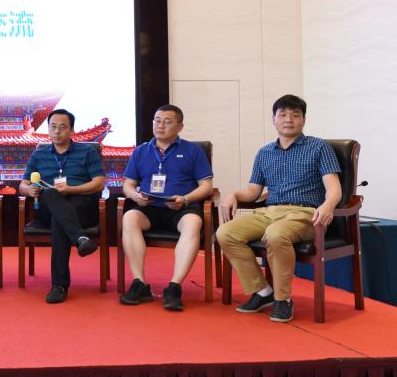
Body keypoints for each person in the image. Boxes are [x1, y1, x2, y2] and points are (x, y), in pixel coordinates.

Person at [216, 94, 342, 323]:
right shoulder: (264, 153)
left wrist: (328, 205)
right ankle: (263, 291)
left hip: (304, 214)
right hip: (269, 212)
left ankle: (283, 299)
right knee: (225, 233)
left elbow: (334, 187)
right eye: (282, 115)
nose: (288, 119)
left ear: (304, 120)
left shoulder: (319, 147)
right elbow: (253, 192)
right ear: (273, 120)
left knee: (275, 234)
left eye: (295, 115)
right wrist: (233, 194)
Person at [119, 105, 214, 310]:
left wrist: (185, 199)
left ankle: (174, 286)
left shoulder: (193, 151)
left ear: (180, 127)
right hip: (149, 206)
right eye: (157, 120)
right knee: (129, 218)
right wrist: (136, 196)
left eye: (167, 121)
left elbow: (207, 186)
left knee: (193, 222)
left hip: (181, 207)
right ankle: (139, 283)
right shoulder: (141, 151)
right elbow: (128, 185)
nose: (160, 125)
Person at [19, 109, 105, 304]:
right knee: (51, 194)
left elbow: (99, 183)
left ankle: (59, 286)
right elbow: (23, 185)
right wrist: (29, 190)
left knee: (60, 220)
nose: (57, 131)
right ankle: (81, 238)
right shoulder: (39, 155)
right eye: (53, 127)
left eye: (62, 127)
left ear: (72, 130)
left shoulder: (87, 151)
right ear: (48, 129)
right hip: (48, 205)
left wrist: (71, 189)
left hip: (82, 204)